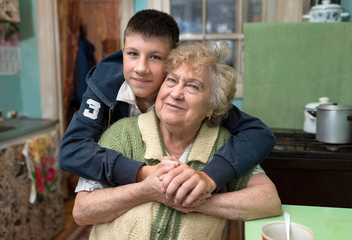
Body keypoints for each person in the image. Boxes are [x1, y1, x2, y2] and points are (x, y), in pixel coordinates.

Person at [59, 9, 276, 204]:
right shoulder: (103, 86)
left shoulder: (181, 96)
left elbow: (259, 134)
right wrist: (141, 173)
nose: (141, 68)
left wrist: (210, 176)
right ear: (123, 52)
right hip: (118, 190)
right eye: (133, 54)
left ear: (172, 59)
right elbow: (71, 151)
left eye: (155, 57)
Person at [72, 41, 281, 240]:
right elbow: (82, 211)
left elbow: (269, 201)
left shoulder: (225, 145)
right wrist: (146, 191)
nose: (176, 93)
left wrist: (196, 199)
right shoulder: (122, 134)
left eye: (193, 86)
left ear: (211, 107)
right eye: (171, 80)